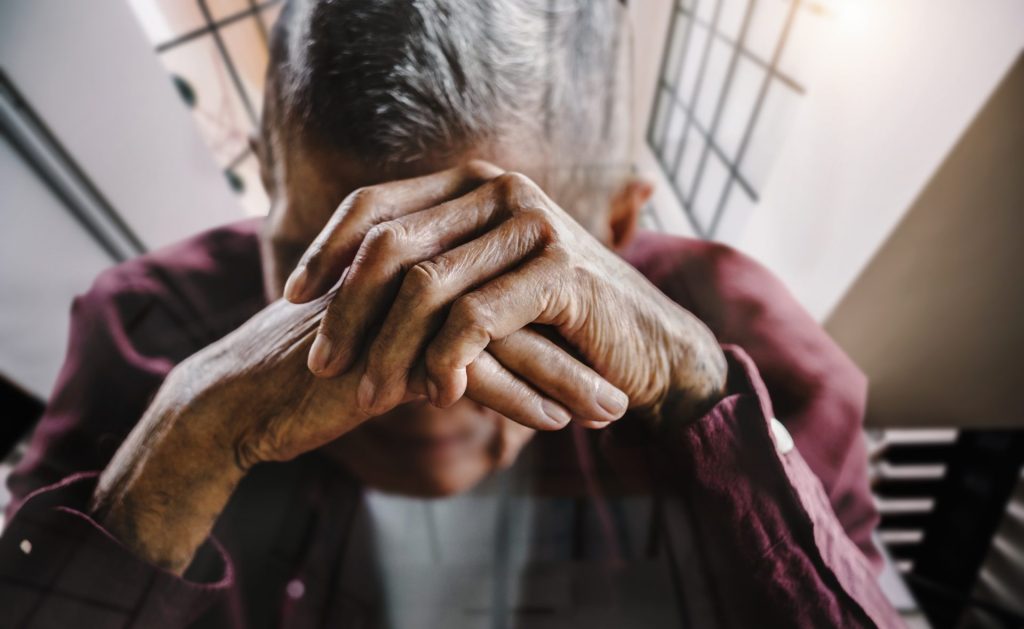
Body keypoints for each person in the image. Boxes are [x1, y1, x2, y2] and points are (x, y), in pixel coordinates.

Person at [0, 1, 902, 627]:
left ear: (614, 231)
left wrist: (701, 405)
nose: (416, 383)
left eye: (506, 275)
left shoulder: (763, 367)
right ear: (266, 191)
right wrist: (180, 450)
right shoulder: (143, 333)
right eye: (348, 273)